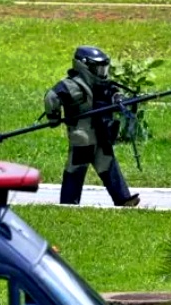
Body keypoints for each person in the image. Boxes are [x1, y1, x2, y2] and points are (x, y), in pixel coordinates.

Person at [43, 45, 140, 207]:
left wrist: (120, 101)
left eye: (103, 69)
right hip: (83, 136)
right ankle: (68, 203)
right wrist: (54, 118)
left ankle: (123, 199)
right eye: (97, 69)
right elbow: (51, 97)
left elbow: (114, 93)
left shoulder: (104, 85)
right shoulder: (71, 85)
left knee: (108, 165)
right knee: (76, 169)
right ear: (84, 66)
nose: (101, 73)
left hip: (102, 133)